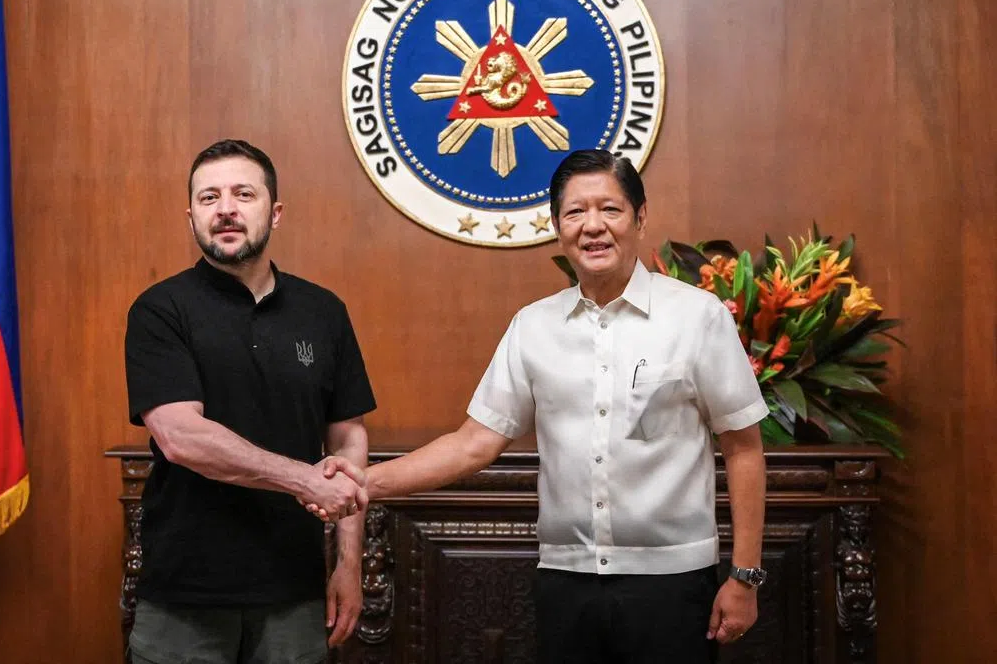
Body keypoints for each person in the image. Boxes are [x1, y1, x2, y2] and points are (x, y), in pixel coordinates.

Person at [315, 149, 768, 663]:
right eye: (575, 212)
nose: (592, 226)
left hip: (673, 584)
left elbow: (743, 447)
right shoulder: (533, 326)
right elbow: (472, 444)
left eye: (610, 209)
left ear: (641, 218)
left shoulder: (697, 316)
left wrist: (744, 576)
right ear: (556, 226)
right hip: (565, 582)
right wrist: (363, 483)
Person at [125, 139, 376, 664]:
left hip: (295, 591)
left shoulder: (323, 311)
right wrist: (303, 479)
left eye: (243, 194)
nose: (226, 210)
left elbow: (347, 439)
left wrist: (348, 563)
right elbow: (180, 437)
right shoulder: (159, 310)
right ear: (190, 214)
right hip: (185, 597)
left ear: (275, 212)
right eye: (209, 197)